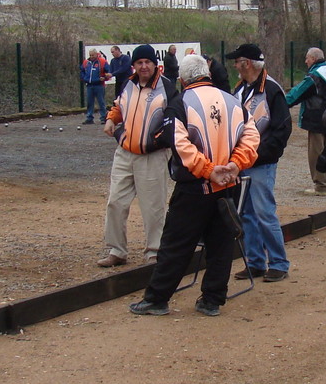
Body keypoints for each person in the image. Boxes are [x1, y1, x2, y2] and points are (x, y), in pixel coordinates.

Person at [129, 54, 260, 317]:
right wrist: (235, 165)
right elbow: (252, 135)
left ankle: (157, 299)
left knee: (176, 244)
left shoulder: (180, 104)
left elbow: (181, 146)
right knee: (221, 245)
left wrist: (209, 171)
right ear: (207, 74)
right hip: (228, 184)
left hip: (196, 188)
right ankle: (212, 300)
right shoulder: (233, 101)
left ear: (182, 79)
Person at [98, 44, 178, 268]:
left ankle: (154, 251)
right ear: (133, 65)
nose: (144, 66)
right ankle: (117, 250)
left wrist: (157, 142)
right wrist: (111, 120)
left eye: (147, 62)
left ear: (155, 65)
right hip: (124, 153)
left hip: (152, 156)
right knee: (115, 202)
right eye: (139, 63)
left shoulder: (167, 88)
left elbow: (175, 119)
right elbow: (118, 106)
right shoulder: (128, 84)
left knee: (153, 206)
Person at [228, 44, 292, 282]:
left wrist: (261, 154)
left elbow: (282, 129)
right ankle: (255, 262)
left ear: (247, 63)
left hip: (261, 162)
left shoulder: (272, 90)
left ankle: (278, 262)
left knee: (264, 212)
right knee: (246, 213)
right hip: (242, 161)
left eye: (237, 61)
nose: (234, 65)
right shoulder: (240, 88)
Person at [284, 47, 326, 195]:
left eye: (307, 58)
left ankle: (321, 186)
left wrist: (281, 103)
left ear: (314, 59)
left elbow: (298, 92)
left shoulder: (315, 76)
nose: (305, 61)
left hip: (316, 119)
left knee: (316, 152)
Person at [81, 49, 109, 124]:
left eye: (93, 55)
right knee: (89, 102)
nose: (91, 56)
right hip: (89, 85)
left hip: (99, 85)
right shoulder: (86, 62)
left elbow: (108, 71)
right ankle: (89, 118)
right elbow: (82, 71)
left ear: (96, 54)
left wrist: (105, 78)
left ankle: (103, 117)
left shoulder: (102, 62)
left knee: (101, 102)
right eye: (90, 55)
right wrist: (84, 78)